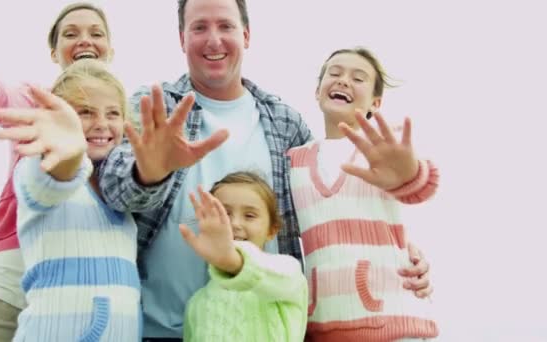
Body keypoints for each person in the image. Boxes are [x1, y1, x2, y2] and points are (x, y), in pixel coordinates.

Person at [97, 0, 433, 339]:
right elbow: (110, 187)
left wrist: (400, 249)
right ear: (183, 39)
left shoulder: (284, 123)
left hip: (262, 329)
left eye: (225, 26)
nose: (213, 40)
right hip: (161, 330)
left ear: (245, 35)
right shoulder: (155, 106)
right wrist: (148, 174)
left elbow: (327, 201)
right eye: (200, 27)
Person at [0, 3, 115, 340]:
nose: (84, 40)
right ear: (54, 53)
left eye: (96, 33)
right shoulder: (38, 101)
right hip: (4, 291)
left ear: (110, 49)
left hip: (63, 308)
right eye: (71, 33)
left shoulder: (121, 121)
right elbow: (2, 98)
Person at [288, 47, 439, 341]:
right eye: (334, 73)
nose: (343, 80)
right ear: (317, 90)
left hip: (393, 324)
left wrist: (409, 172)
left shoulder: (386, 146)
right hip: (324, 326)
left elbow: (422, 185)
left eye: (358, 78)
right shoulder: (294, 161)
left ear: (375, 103)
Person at [0, 59, 141, 341]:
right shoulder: (41, 166)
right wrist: (71, 154)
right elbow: (47, 187)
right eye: (85, 113)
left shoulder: (120, 192)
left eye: (112, 113)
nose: (101, 124)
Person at [180, 172, 308, 341]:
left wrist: (234, 262)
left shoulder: (287, 271)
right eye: (224, 214)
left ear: (272, 230)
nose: (234, 224)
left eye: (249, 215)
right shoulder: (196, 303)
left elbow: (270, 274)